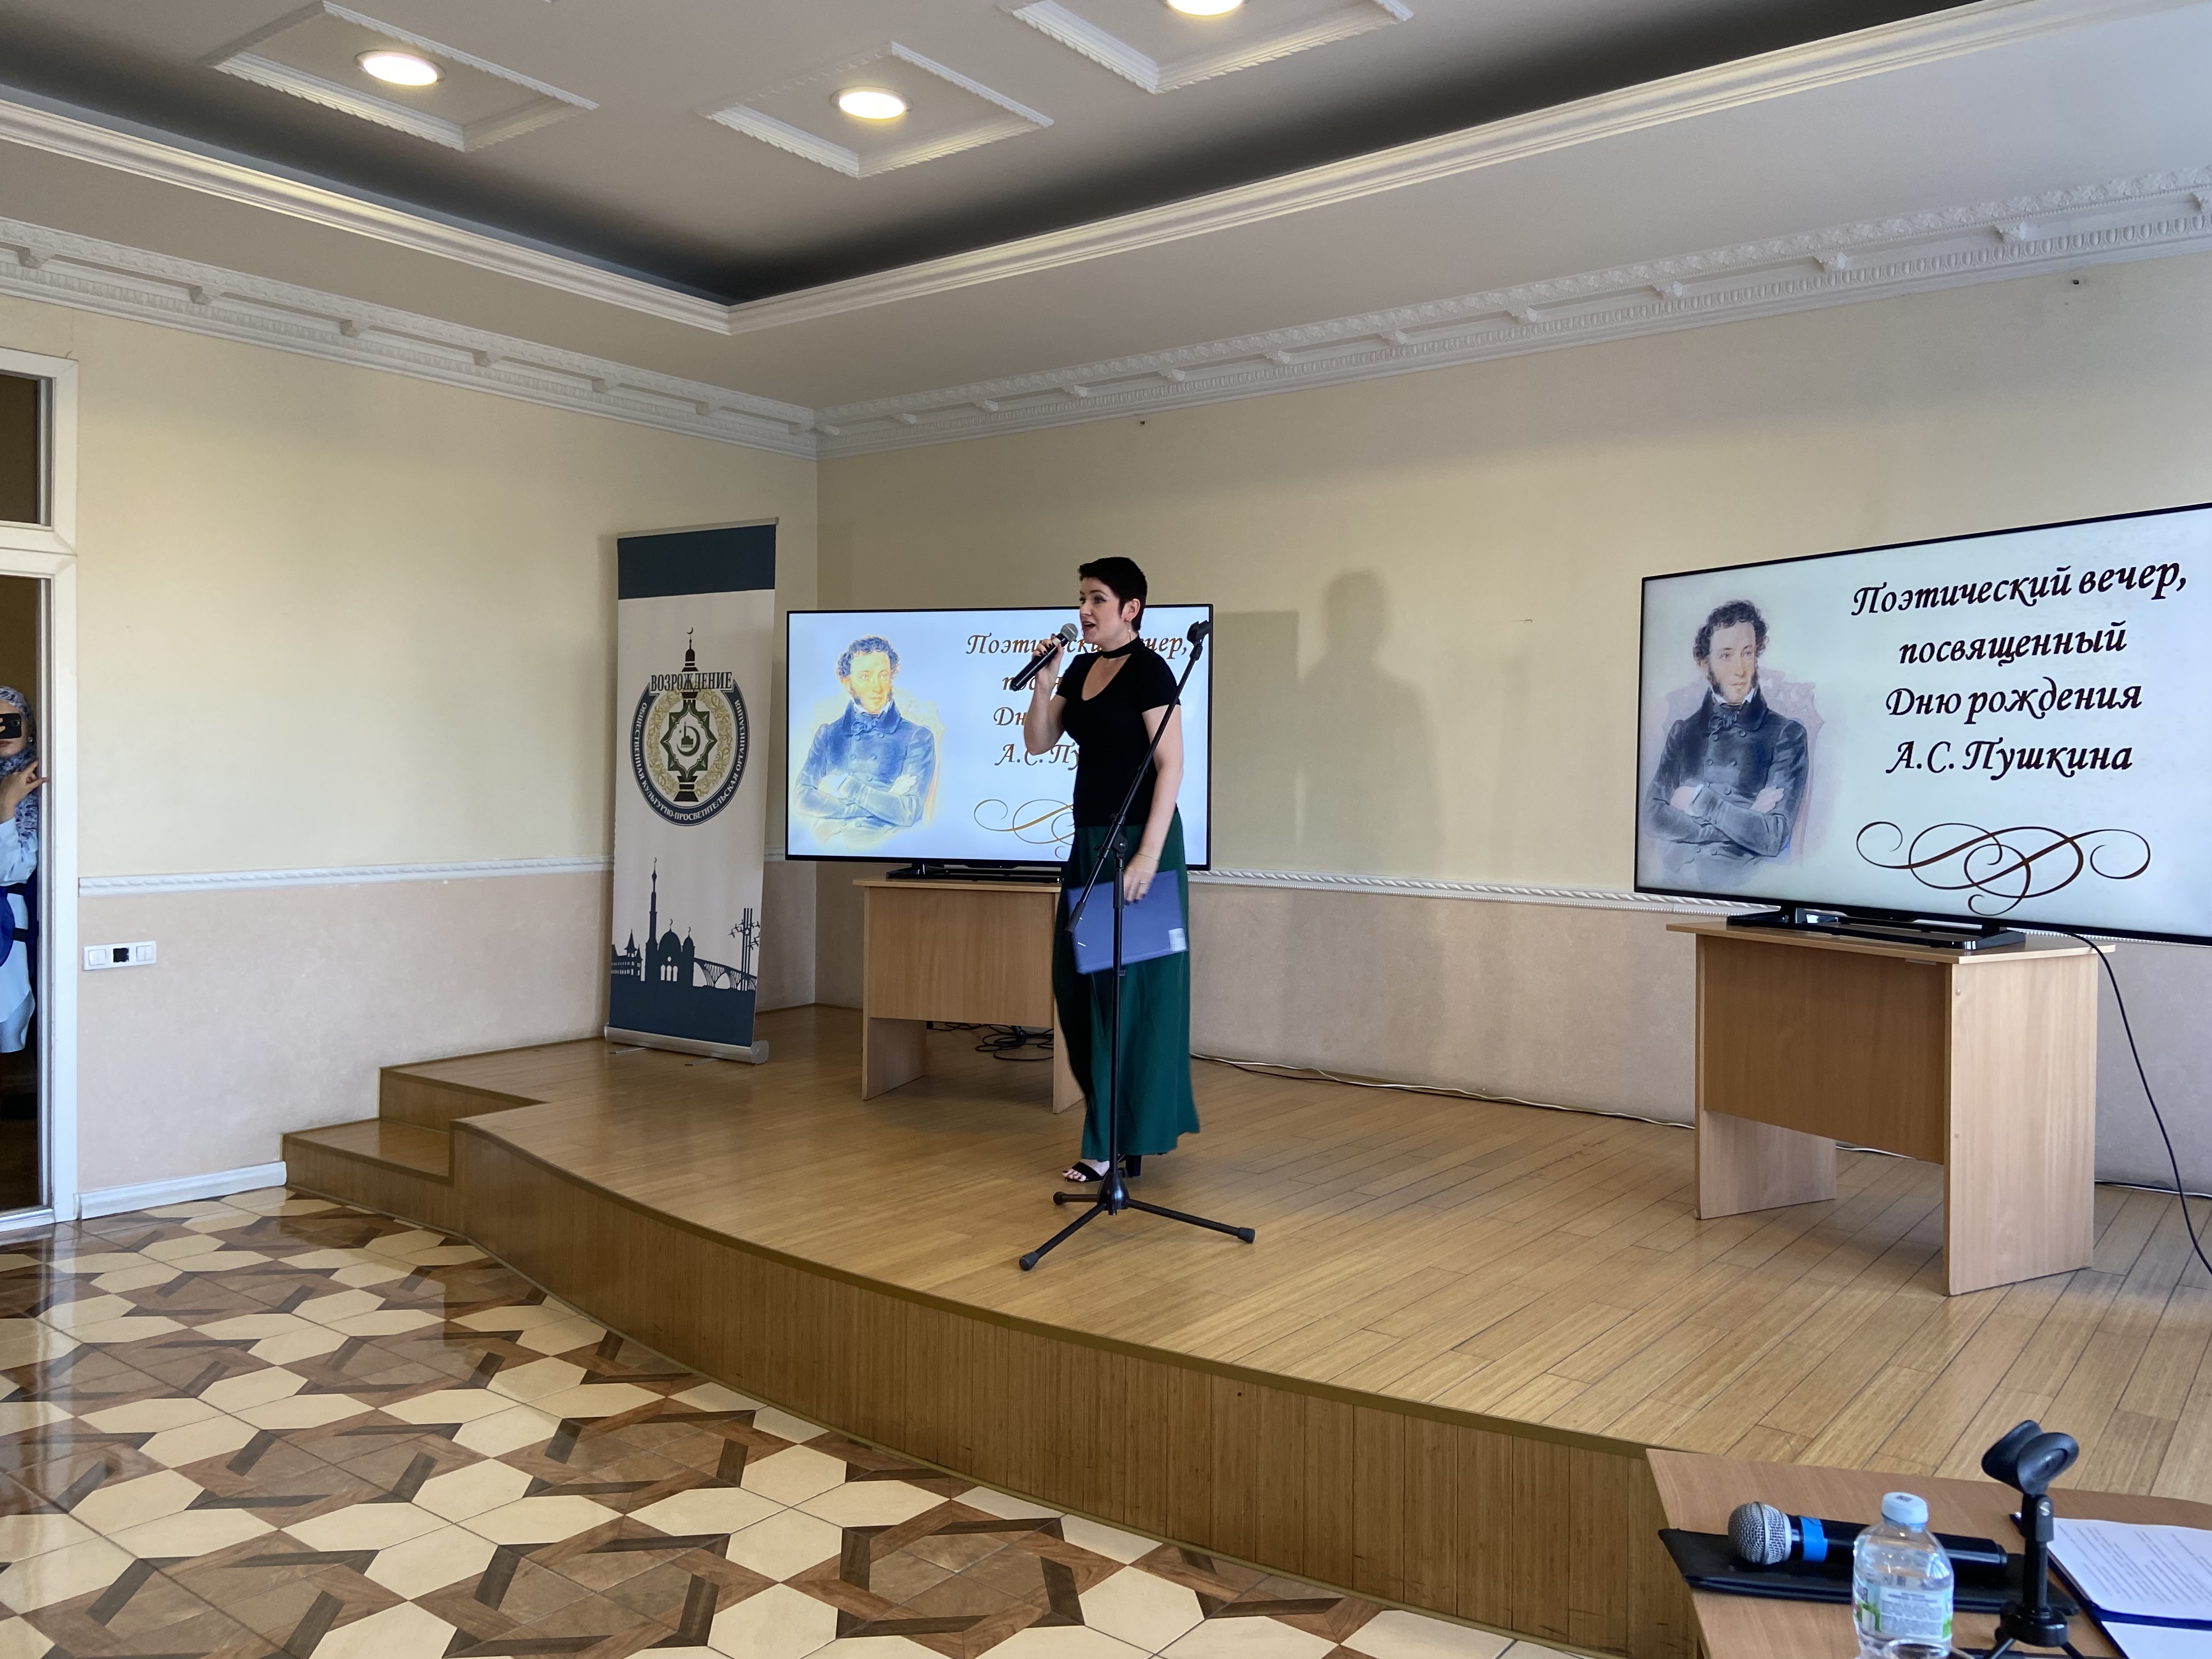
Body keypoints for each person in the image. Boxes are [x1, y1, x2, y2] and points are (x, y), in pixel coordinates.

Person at [1023, 557, 1199, 1184]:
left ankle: (1113, 1142)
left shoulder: (1150, 670)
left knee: (1131, 998)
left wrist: (1149, 856)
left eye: (1097, 599)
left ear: (1131, 608)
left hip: (1139, 847)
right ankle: (1111, 1127)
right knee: (1079, 986)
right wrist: (1044, 683)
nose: (1084, 610)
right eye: (1081, 598)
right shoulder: (1079, 668)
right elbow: (1039, 741)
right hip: (1091, 844)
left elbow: (1172, 765)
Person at [1643, 600, 1809, 883]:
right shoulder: (1683, 732)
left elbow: (1772, 837)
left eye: (1748, 653)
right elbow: (1652, 816)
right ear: (1704, 663)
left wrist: (1699, 800)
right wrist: (1746, 816)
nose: (1740, 670)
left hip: (1744, 881)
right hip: (1674, 879)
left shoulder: (1787, 734)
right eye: (1726, 656)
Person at [794, 634, 937, 850]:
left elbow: (908, 812)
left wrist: (845, 786)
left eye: (883, 675)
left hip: (891, 845)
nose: (877, 688)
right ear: (847, 682)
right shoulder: (828, 734)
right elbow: (802, 798)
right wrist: (879, 805)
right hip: (830, 846)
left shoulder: (917, 737)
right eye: (865, 677)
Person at [0, 689, 41, 1054]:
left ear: (29, 727)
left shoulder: (41, 783)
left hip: (12, 918)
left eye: (11, 721)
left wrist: (8, 803)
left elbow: (11, 870)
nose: (3, 731)